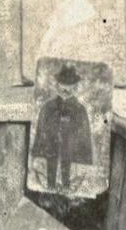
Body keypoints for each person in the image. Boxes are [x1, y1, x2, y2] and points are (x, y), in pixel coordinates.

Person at [30, 63, 94, 191]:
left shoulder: (81, 111)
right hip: (49, 162)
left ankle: (66, 186)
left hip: (72, 163)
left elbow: (85, 139)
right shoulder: (47, 108)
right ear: (57, 85)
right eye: (63, 83)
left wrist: (84, 161)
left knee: (70, 189)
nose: (66, 88)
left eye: (70, 84)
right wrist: (37, 157)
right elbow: (40, 134)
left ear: (75, 86)